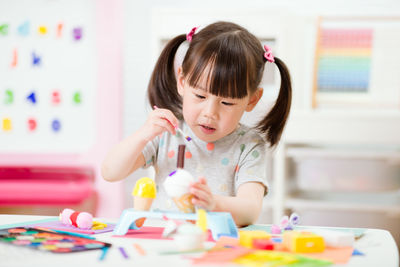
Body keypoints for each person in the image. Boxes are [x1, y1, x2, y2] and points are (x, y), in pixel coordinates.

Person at [102, 21, 292, 227]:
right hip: (162, 242)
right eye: (200, 95)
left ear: (252, 100)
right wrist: (143, 135)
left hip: (216, 249)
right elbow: (111, 172)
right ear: (182, 82)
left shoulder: (248, 145)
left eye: (227, 102)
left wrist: (213, 203)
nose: (210, 113)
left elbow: (250, 210)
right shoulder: (167, 132)